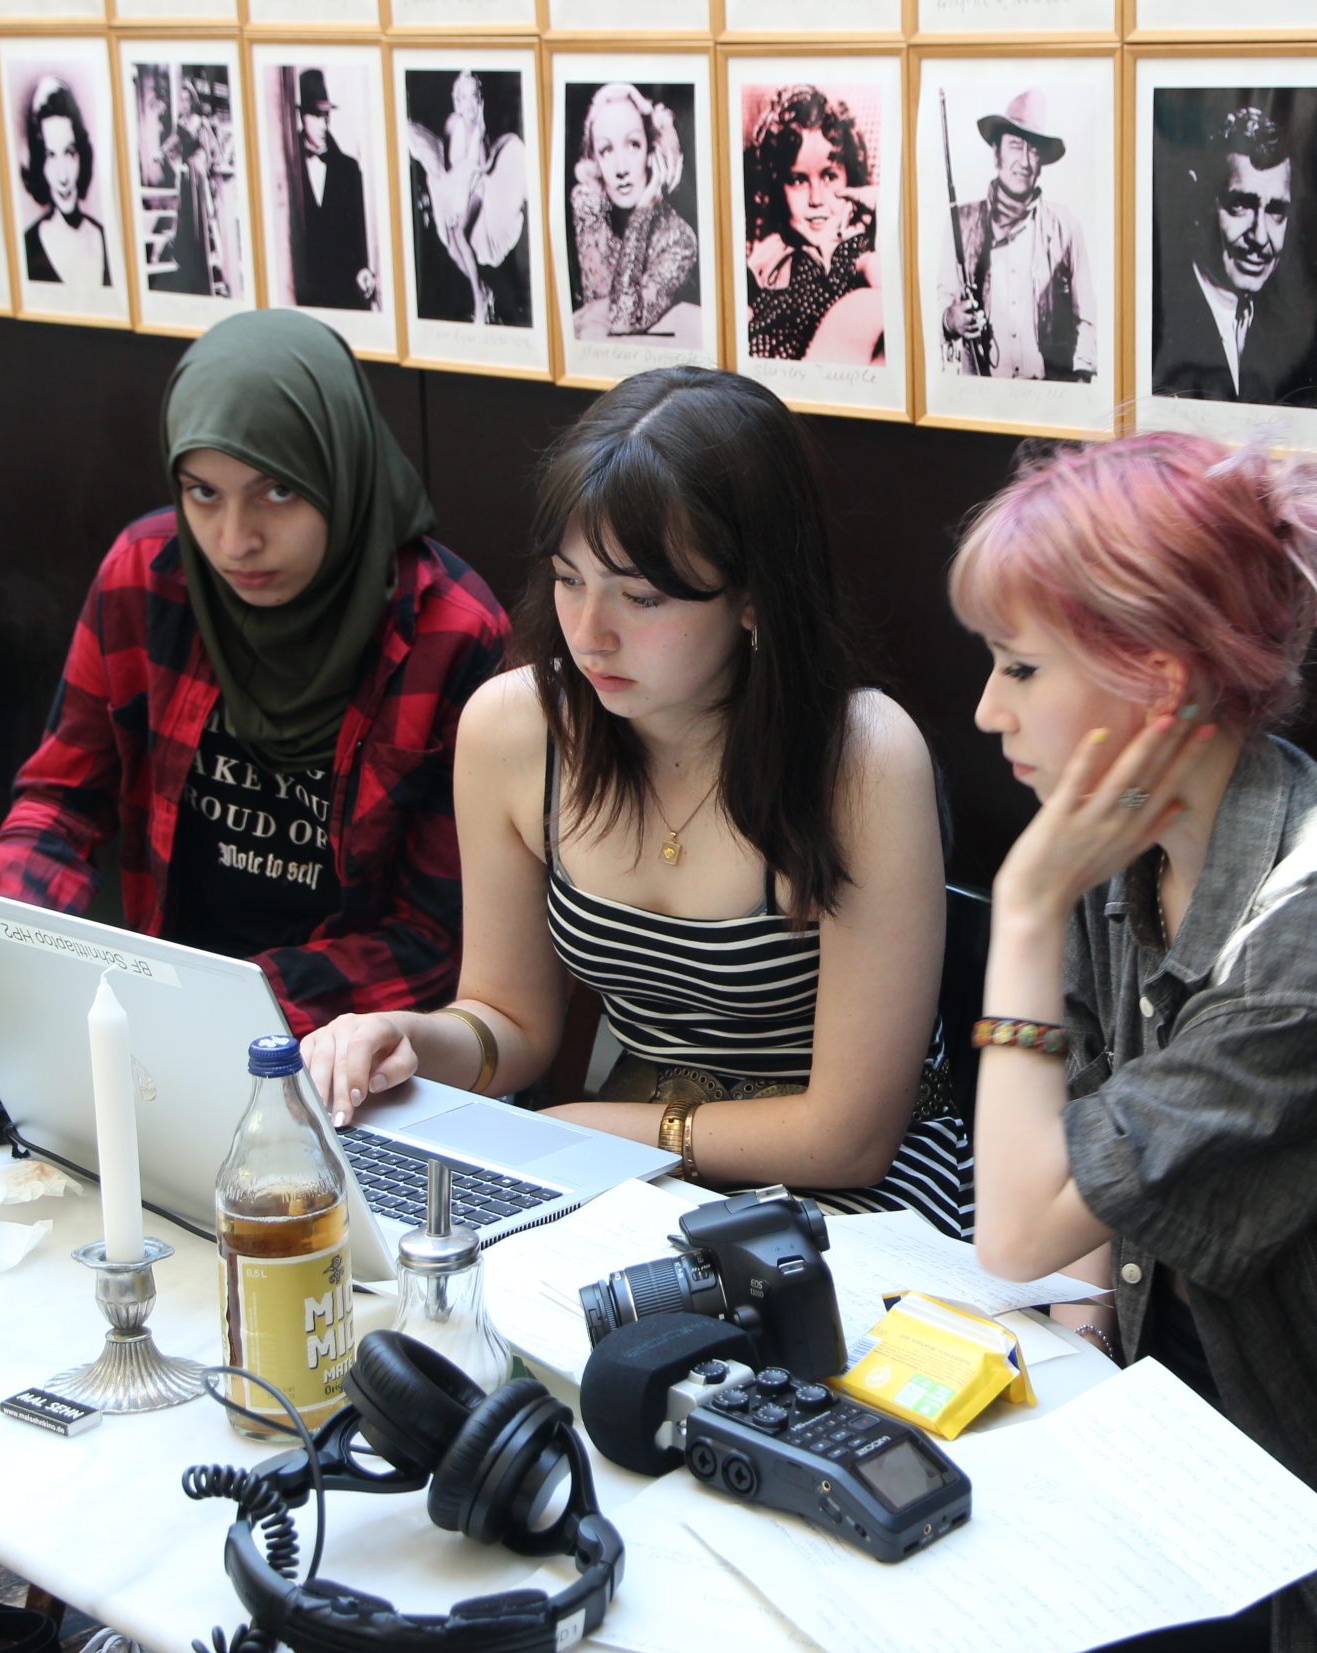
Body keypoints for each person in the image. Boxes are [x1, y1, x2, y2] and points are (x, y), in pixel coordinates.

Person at [947, 433, 1317, 1653]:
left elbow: (1017, 1226)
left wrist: (1023, 915)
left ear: (1153, 678)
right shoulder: (1135, 838)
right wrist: (1080, 1329)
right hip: (1164, 1458)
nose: (988, 709)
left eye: (1019, 666)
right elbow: (1079, 1157)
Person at [302, 367, 973, 1240]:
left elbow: (849, 1137)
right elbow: (510, 1020)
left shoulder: (861, 758)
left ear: (754, 596)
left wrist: (599, 1131)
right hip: (632, 1166)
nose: (590, 633)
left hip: (852, 1200)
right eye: (569, 579)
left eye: (642, 596)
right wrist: (410, 1040)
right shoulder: (516, 729)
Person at [0, 310, 508, 1034]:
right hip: (162, 1016)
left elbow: (434, 940)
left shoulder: (451, 633)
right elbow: (60, 802)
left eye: (277, 491)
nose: (235, 541)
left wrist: (219, 1003)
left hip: (357, 1045)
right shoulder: (147, 577)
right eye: (203, 493)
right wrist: (2, 931)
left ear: (341, 469)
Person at [1150, 104, 1317, 410]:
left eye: (1276, 211)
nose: (1260, 237)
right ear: (1199, 202)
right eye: (1240, 205)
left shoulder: (1294, 333)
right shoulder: (1155, 323)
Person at [934, 89, 1095, 384]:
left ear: (1042, 162)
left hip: (1049, 397)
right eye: (1015, 146)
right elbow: (935, 309)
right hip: (981, 398)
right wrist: (950, 320)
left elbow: (1085, 321)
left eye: (1033, 150)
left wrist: (1080, 387)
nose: (1024, 161)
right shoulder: (961, 222)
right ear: (996, 152)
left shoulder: (1067, 227)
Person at [743, 84, 882, 364]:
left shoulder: (853, 247)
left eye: (829, 176)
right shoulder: (771, 251)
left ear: (850, 179)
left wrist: (879, 206)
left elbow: (887, 292)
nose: (815, 199)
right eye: (798, 181)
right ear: (777, 187)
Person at [567, 83, 699, 342]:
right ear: (595, 161)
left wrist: (642, 213)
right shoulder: (590, 207)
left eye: (633, 145)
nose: (621, 168)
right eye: (606, 150)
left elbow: (622, 321)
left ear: (652, 151)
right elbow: (596, 309)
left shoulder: (680, 239)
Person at [405, 71, 530, 327]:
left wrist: (480, 131)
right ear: (457, 102)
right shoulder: (452, 124)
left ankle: (479, 301)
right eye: (463, 98)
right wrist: (449, 199)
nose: (469, 103)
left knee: (460, 234)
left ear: (479, 100)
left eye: (473, 97)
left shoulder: (479, 128)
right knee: (452, 246)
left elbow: (482, 167)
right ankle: (483, 289)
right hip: (458, 189)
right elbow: (448, 166)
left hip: (478, 189)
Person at [289, 68, 374, 312]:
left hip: (343, 296)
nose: (323, 124)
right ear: (302, 117)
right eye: (316, 116)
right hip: (303, 298)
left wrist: (362, 268)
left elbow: (358, 230)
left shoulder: (348, 169)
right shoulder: (288, 167)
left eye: (326, 115)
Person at [20, 75, 111, 288]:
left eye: (69, 153)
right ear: (39, 163)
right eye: (51, 156)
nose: (63, 177)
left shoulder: (106, 238)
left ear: (81, 154)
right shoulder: (26, 246)